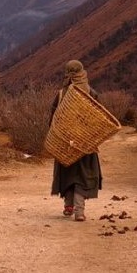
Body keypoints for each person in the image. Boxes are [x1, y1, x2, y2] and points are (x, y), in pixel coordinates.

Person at [50, 60, 102, 222]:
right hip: (86, 143)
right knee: (82, 176)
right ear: (82, 72)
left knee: (68, 173)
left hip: (65, 143)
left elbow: (52, 118)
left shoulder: (60, 94)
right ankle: (79, 211)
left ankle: (68, 206)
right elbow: (99, 117)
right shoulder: (90, 93)